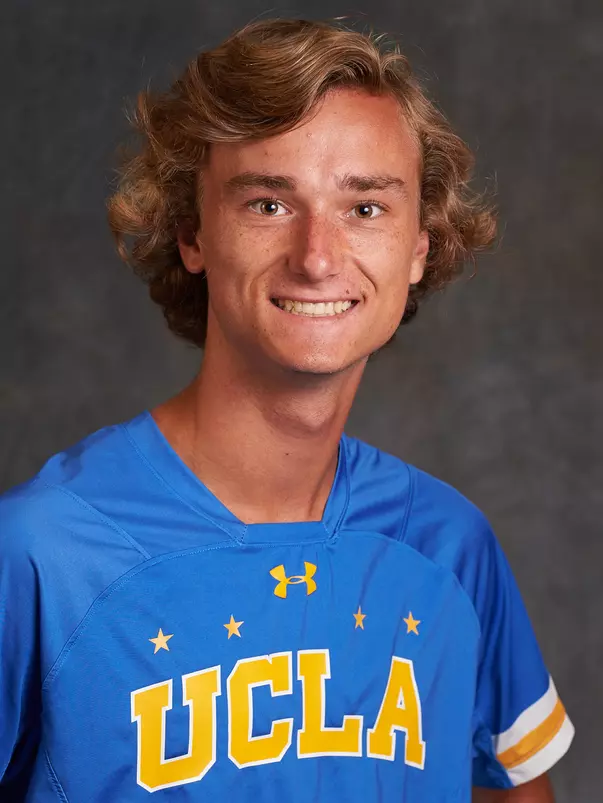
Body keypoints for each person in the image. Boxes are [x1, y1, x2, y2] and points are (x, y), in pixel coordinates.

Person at [0, 18, 573, 803]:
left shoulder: (448, 548)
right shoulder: (43, 554)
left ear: (419, 245)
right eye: (268, 203)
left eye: (364, 208)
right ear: (191, 233)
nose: (316, 256)